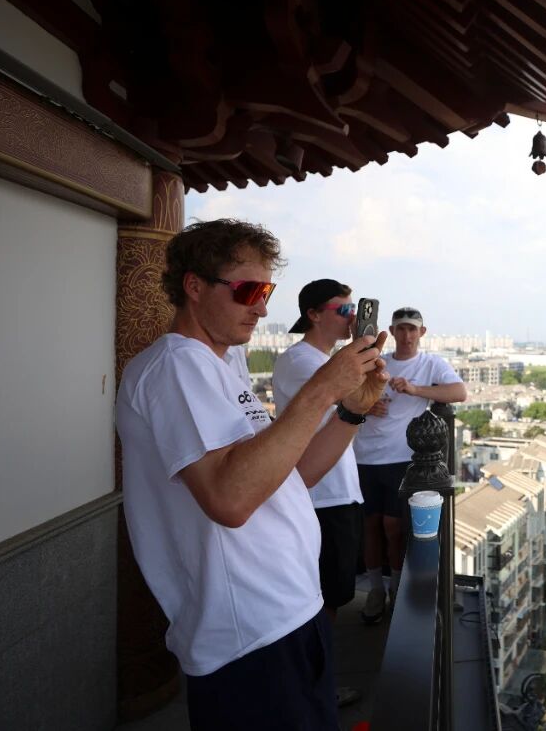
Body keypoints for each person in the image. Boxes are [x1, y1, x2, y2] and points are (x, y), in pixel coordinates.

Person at [116, 219, 388, 730]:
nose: (262, 307)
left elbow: (291, 474)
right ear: (194, 286)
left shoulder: (224, 364)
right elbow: (229, 499)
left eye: (267, 291)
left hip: (288, 608)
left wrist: (350, 411)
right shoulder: (175, 367)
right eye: (248, 290)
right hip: (248, 631)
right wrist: (321, 391)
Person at [271, 278, 367, 709]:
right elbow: (356, 396)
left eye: (353, 309)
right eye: (342, 310)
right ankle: (318, 690)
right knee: (322, 602)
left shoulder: (323, 360)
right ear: (313, 314)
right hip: (320, 495)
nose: (350, 317)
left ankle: (316, 686)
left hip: (336, 491)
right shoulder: (299, 360)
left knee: (331, 596)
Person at [353, 306, 467, 623]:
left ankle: (396, 590)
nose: (406, 335)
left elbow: (459, 392)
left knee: (393, 527)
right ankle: (377, 590)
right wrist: (365, 405)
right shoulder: (379, 362)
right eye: (401, 329)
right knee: (370, 525)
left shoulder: (431, 363)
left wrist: (416, 390)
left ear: (421, 333)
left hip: (400, 456)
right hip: (364, 454)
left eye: (412, 330)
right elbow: (348, 395)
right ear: (392, 331)